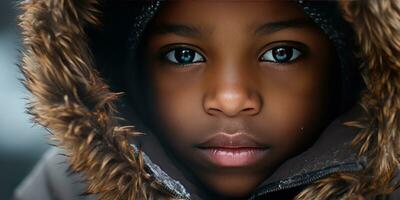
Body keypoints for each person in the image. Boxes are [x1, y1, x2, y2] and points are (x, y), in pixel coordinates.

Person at [13, 0, 400, 199]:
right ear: (119, 77)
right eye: (184, 55)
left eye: (281, 53)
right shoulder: (67, 186)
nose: (231, 100)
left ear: (353, 67)